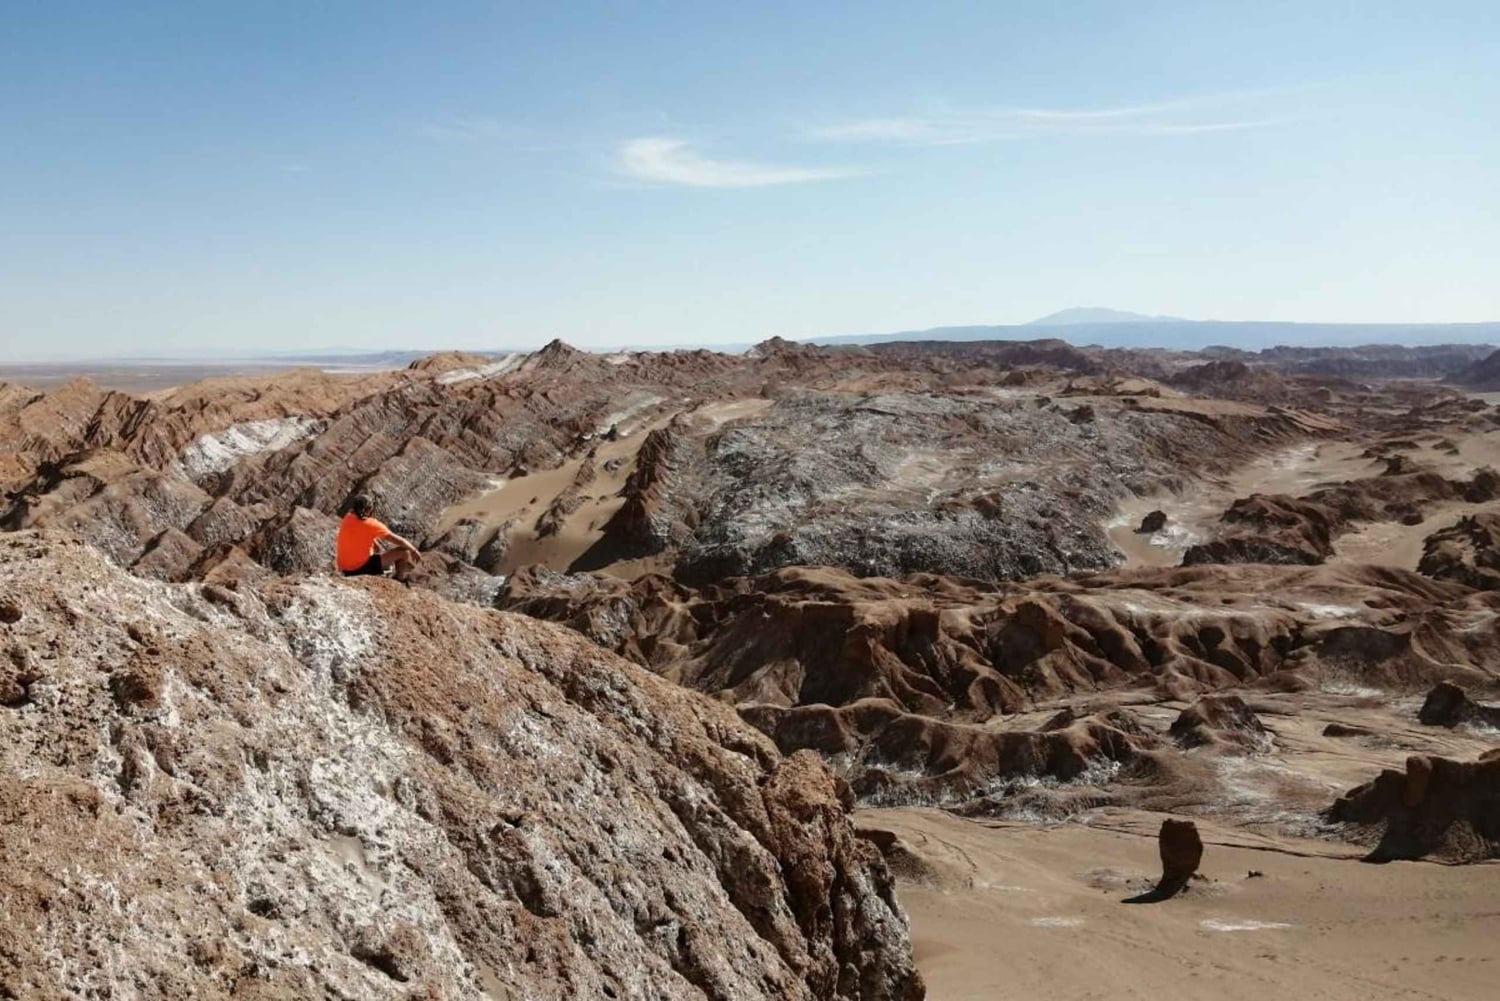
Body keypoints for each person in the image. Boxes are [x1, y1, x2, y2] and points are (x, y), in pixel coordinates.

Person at [336, 495, 419, 579]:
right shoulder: (371, 524)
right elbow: (399, 541)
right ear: (368, 509)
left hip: (344, 569)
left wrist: (376, 544)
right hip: (359, 568)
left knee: (381, 557)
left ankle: (387, 571)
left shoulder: (348, 517)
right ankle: (399, 579)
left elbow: (360, 534)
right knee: (405, 552)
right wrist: (414, 550)